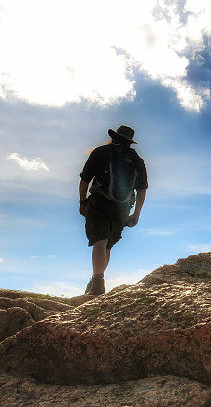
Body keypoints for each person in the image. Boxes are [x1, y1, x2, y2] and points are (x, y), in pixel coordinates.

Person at [79, 125, 148, 295]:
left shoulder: (100, 152)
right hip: (123, 208)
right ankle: (97, 279)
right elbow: (142, 191)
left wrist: (82, 202)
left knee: (100, 242)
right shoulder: (137, 160)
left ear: (114, 137)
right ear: (130, 142)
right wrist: (136, 214)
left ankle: (97, 282)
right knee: (108, 245)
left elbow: (84, 180)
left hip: (99, 202)